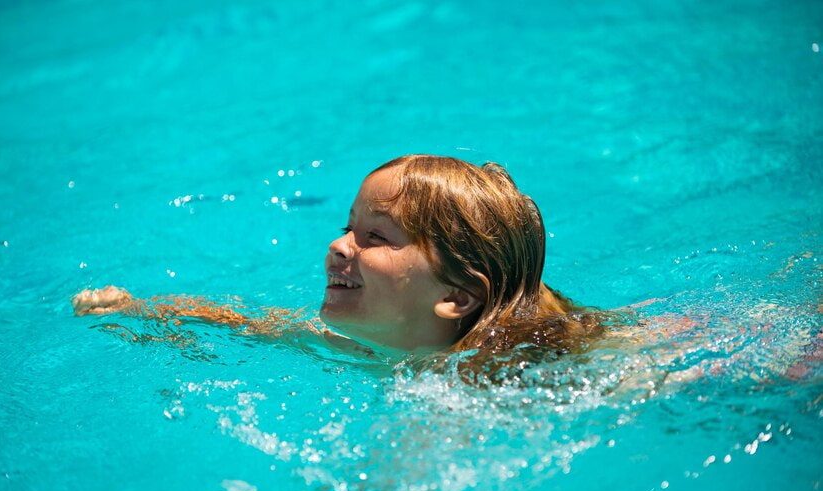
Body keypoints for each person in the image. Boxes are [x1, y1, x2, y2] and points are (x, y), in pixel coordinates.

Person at [73, 155, 602, 367]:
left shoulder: (482, 380)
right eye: (347, 227)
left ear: (454, 298)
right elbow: (255, 326)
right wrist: (140, 308)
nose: (339, 245)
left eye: (375, 236)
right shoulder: (361, 343)